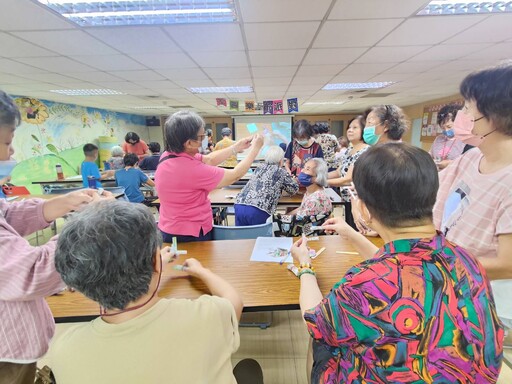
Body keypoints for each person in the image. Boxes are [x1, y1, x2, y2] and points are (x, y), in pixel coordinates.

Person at [292, 143, 503, 383]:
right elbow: (405, 270)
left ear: (363, 208)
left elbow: (314, 320)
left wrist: (305, 267)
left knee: (322, 343)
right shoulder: (467, 260)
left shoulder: (364, 284)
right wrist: (351, 234)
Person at [50, 200, 264, 384]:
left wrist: (154, 264)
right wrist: (202, 271)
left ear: (76, 281)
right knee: (248, 367)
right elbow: (233, 300)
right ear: (155, 260)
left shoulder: (64, 351)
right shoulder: (206, 316)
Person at [0, 90, 110, 384]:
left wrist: (59, 204)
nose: (11, 153)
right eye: (7, 142)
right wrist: (84, 222)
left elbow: (6, 217)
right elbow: (31, 273)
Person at [433, 61, 512, 334]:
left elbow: (507, 264)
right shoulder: (473, 156)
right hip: (451, 288)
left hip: (488, 307)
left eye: (468, 107)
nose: (461, 115)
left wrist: (439, 262)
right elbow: (432, 194)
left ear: (495, 114)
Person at [155, 111, 263, 243]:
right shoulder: (191, 170)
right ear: (188, 143)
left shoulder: (168, 155)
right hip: (190, 234)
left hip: (169, 227)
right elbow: (235, 175)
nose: (204, 140)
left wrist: (236, 147)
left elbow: (209, 159)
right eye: (201, 137)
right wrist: (256, 149)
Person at [234, 145, 299, 226]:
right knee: (261, 237)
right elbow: (294, 190)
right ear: (280, 160)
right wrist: (294, 181)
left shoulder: (259, 168)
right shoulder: (280, 171)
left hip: (239, 205)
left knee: (242, 237)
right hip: (258, 209)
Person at [327, 116, 369, 230]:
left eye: (355, 128)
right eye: (349, 127)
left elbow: (347, 179)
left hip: (360, 202)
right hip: (347, 200)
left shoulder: (365, 151)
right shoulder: (349, 151)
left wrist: (320, 181)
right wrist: (319, 175)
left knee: (361, 231)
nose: (350, 130)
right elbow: (338, 171)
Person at [429, 104, 466, 170]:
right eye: (443, 128)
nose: (446, 130)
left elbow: (467, 163)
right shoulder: (438, 139)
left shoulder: (466, 140)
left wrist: (450, 163)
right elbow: (429, 156)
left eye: (449, 126)